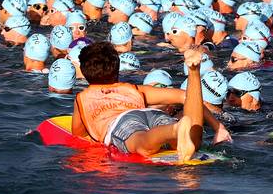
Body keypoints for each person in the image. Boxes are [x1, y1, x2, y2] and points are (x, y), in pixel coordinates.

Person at [70, 41, 230, 161]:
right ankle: (193, 71)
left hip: (121, 122)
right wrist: (218, 127)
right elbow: (185, 96)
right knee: (193, 142)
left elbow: (78, 134)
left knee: (141, 143)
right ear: (117, 69)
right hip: (150, 113)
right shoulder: (133, 89)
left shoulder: (82, 98)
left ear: (84, 73)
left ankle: (175, 129)